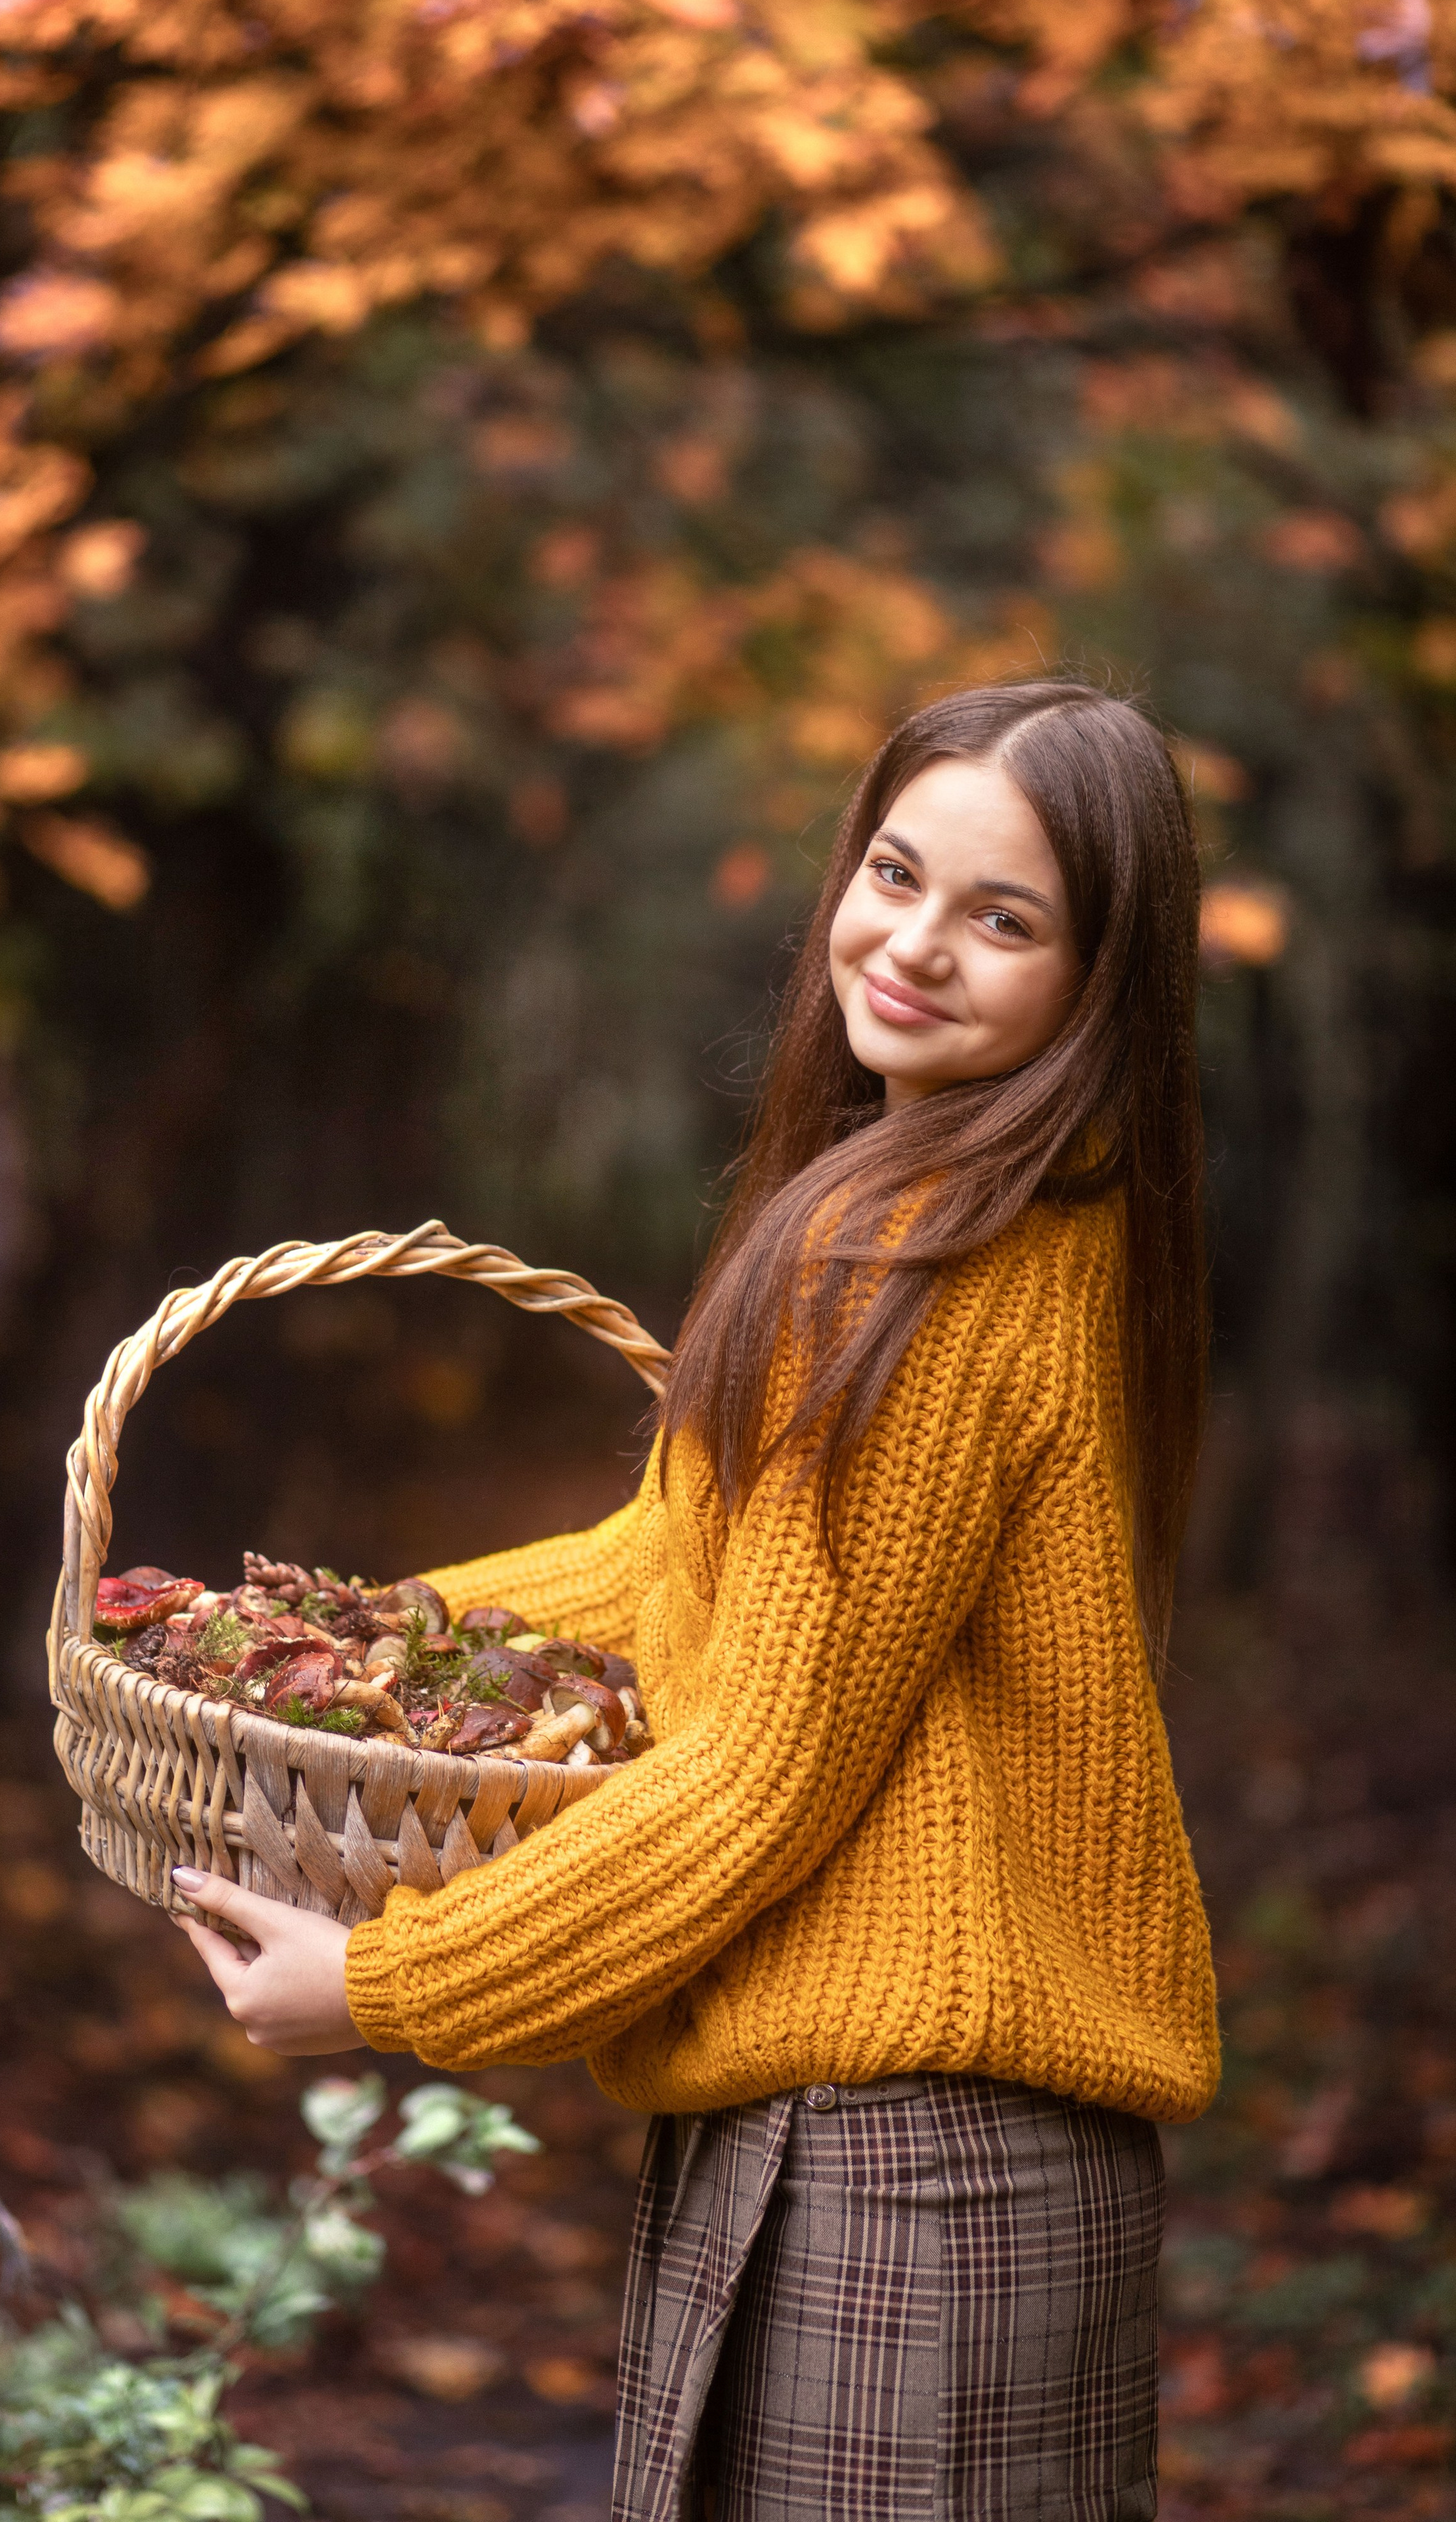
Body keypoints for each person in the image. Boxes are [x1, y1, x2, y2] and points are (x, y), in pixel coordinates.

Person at [171, 678, 1222, 2521]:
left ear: (1100, 981)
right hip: (903, 2140)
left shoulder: (922, 1257)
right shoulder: (985, 1217)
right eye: (896, 873)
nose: (913, 943)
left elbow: (761, 1781)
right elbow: (682, 1567)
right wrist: (322, 1648)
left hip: (901, 2164)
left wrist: (394, 1982)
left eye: (1005, 918)